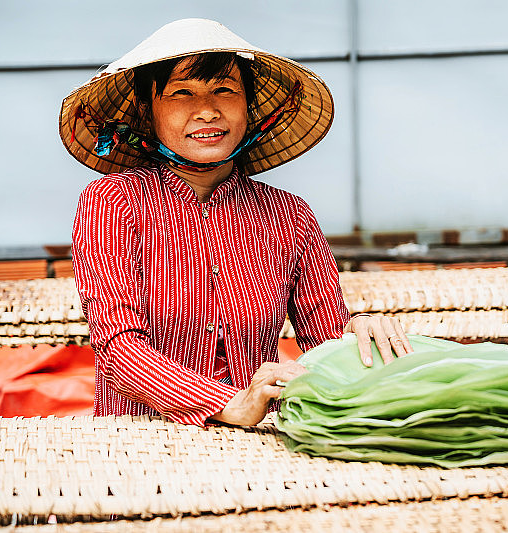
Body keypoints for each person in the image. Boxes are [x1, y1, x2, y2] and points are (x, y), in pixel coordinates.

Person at [58, 18, 412, 428]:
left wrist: (361, 330)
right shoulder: (114, 203)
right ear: (146, 110)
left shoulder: (290, 215)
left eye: (225, 90)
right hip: (141, 444)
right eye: (181, 93)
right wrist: (231, 403)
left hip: (262, 447)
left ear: (249, 106)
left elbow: (326, 342)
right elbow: (117, 349)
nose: (207, 110)